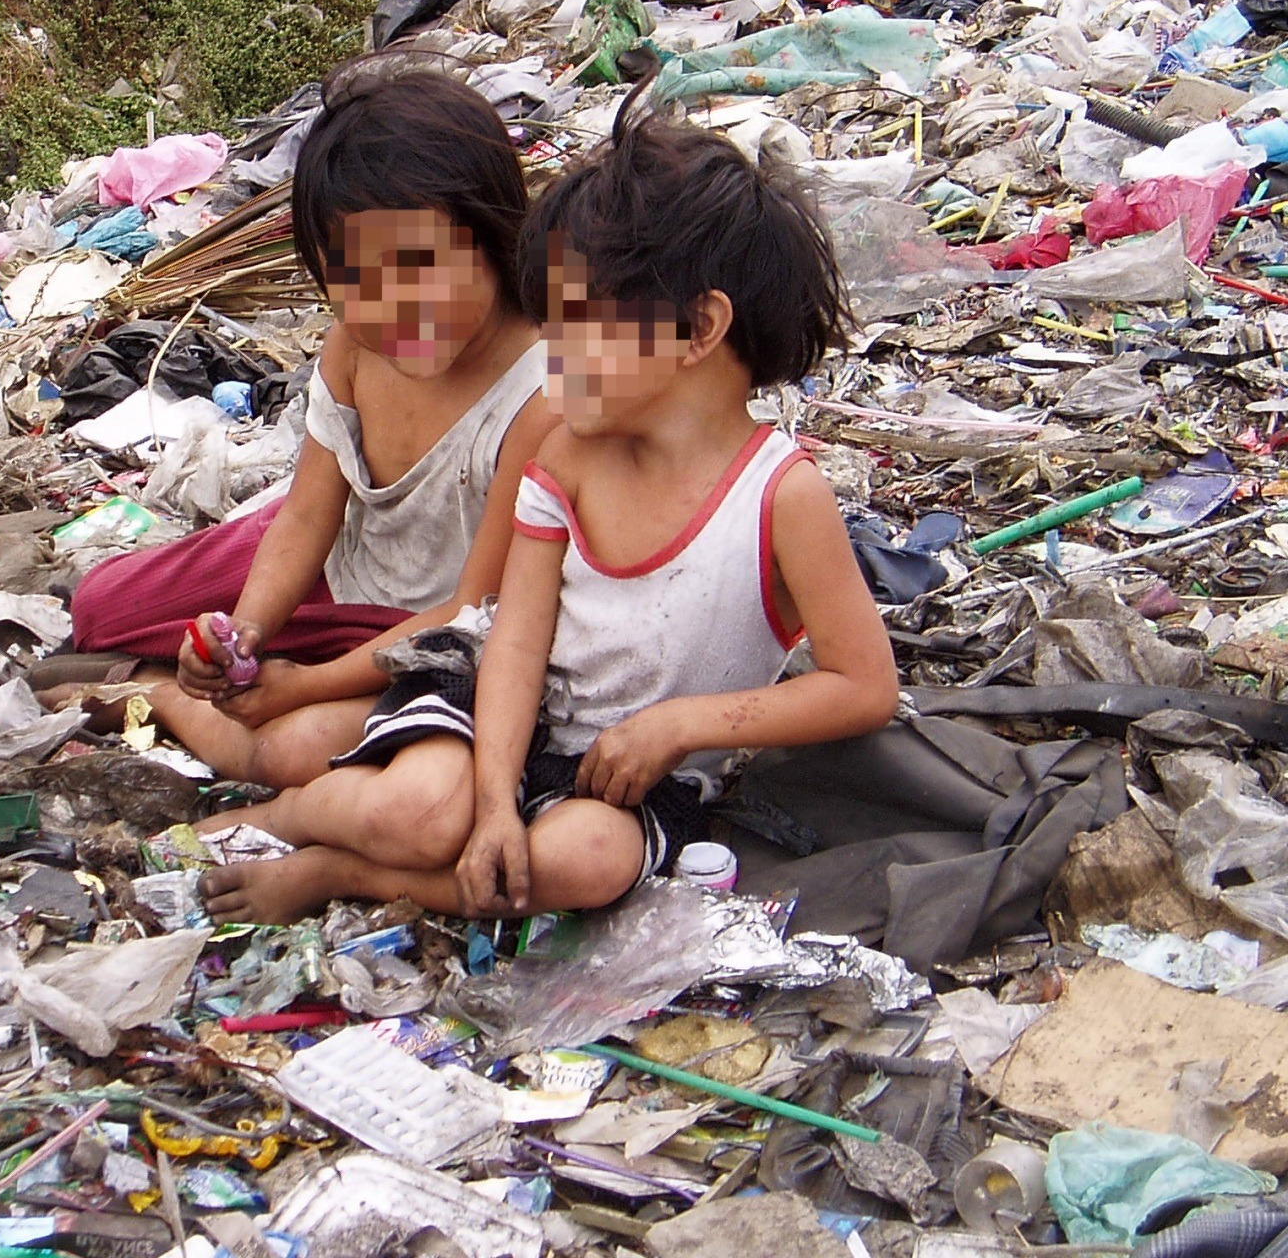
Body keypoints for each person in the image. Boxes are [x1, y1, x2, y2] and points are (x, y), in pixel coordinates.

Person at [197, 106, 901, 925]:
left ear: (699, 329)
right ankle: (279, 819)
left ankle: (336, 872)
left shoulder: (780, 494)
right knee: (405, 802)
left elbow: (864, 686)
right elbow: (515, 638)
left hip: (632, 780)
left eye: (578, 328)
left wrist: (679, 727)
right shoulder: (566, 459)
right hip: (505, 720)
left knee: (585, 860)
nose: (553, 360)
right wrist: (496, 799)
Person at [50, 62, 557, 788]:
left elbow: (469, 610)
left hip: (419, 629)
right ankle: (190, 672)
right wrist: (244, 633)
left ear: (494, 235)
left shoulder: (537, 394)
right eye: (357, 281)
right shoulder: (355, 346)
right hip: (333, 570)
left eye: (421, 265)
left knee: (297, 749)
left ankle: (154, 694)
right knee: (100, 605)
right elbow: (308, 516)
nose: (394, 307)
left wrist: (302, 687)